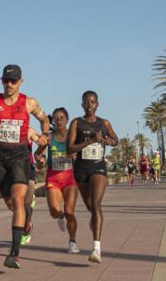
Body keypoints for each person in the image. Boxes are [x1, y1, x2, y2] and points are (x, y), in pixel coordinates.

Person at [0, 64, 50, 269]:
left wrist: (44, 135)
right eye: (5, 81)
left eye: (13, 81)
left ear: (20, 82)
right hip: (0, 159)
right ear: (1, 81)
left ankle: (14, 254)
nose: (9, 84)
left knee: (17, 199)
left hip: (20, 156)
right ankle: (26, 222)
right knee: (10, 203)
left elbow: (44, 119)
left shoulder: (30, 103)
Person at [68, 91, 119, 263]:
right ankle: (95, 221)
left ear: (97, 104)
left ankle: (96, 248)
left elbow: (115, 140)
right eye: (86, 102)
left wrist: (105, 140)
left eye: (92, 102)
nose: (89, 105)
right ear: (82, 104)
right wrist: (89, 141)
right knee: (91, 206)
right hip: (81, 168)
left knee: (96, 204)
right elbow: (70, 149)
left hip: (98, 166)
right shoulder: (77, 123)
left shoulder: (104, 123)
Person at [35, 107, 80, 254]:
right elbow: (37, 154)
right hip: (53, 178)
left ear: (67, 120)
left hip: (70, 178)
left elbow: (81, 152)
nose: (59, 120)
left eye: (62, 117)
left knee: (69, 211)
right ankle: (60, 217)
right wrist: (40, 160)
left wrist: (76, 157)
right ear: (52, 121)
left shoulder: (72, 136)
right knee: (55, 211)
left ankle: (72, 242)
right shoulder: (49, 137)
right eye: (56, 118)